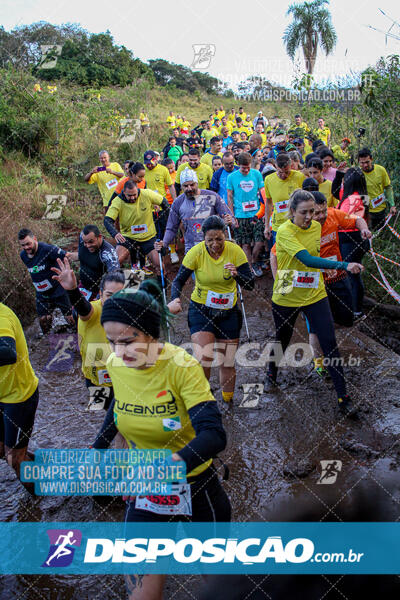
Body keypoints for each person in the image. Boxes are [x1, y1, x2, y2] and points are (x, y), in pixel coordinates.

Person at [92, 279, 231, 600]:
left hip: (197, 487)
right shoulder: (116, 363)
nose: (118, 351)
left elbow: (214, 434)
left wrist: (169, 466)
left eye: (128, 341)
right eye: (111, 341)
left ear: (151, 333)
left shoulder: (182, 366)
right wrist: (96, 451)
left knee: (221, 585)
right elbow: (118, 406)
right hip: (147, 491)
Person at [266, 189, 363, 416]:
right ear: (292, 212)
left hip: (313, 290)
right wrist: (344, 265)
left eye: (312, 211)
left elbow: (316, 258)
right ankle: (271, 371)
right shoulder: (284, 231)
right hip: (287, 288)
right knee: (283, 337)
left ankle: (343, 399)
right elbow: (307, 259)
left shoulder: (317, 227)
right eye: (304, 213)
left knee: (330, 342)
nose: (310, 217)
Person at [168, 216, 254, 403]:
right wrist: (175, 299)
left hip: (228, 312)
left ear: (225, 235)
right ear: (203, 239)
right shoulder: (196, 252)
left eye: (219, 239)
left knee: (227, 362)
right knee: (203, 359)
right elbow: (179, 280)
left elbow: (251, 284)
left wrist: (237, 275)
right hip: (201, 310)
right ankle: (204, 401)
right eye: (210, 240)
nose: (215, 244)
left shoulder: (235, 251)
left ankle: (228, 400)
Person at [309, 191, 371, 375]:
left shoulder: (334, 214)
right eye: (316, 213)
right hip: (315, 282)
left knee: (346, 318)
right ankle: (319, 361)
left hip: (337, 277)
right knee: (316, 325)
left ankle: (325, 330)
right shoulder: (301, 226)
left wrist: (364, 229)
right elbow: (275, 252)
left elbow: (356, 219)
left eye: (323, 212)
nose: (320, 216)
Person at [51, 261, 125, 412]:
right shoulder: (94, 311)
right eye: (109, 295)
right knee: (106, 414)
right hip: (95, 380)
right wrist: (72, 290)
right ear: (101, 293)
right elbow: (83, 308)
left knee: (124, 417)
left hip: (122, 377)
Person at [0, 302, 39, 491]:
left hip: (18, 397)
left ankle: (40, 503)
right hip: (2, 395)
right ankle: (40, 464)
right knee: (3, 450)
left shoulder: (2, 316)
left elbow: (7, 352)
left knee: (14, 460)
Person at [155, 169, 235, 255]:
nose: (189, 188)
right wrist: (164, 243)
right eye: (185, 186)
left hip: (214, 246)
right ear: (181, 186)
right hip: (192, 248)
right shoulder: (178, 202)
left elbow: (230, 218)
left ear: (197, 183)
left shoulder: (212, 196)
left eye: (192, 185)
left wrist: (229, 221)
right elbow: (171, 228)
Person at [104, 180, 169, 274]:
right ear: (124, 193)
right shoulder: (118, 201)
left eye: (135, 194)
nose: (133, 197)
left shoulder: (146, 194)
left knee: (160, 265)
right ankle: (114, 285)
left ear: (137, 190)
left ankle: (161, 287)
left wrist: (166, 224)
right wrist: (115, 233)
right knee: (115, 262)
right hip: (128, 237)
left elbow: (165, 203)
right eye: (129, 195)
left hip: (148, 237)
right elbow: (107, 220)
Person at [18, 228, 74, 334]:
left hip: (58, 289)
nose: (26, 247)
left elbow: (68, 255)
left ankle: (77, 337)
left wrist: (85, 256)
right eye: (23, 245)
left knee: (70, 318)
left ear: (35, 239)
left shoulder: (48, 250)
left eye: (28, 244)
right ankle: (47, 343)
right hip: (41, 292)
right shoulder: (23, 255)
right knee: (44, 321)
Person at [337, 168, 371, 318]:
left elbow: (342, 219)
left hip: (349, 239)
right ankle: (356, 308)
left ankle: (355, 309)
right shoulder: (364, 196)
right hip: (359, 239)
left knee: (352, 274)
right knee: (354, 273)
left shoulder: (351, 199)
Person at [227, 152, 266, 277]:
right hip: (240, 214)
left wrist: (265, 212)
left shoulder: (257, 174)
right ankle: (248, 268)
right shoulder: (232, 177)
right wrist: (232, 216)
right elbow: (229, 196)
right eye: (244, 168)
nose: (246, 170)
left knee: (259, 241)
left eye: (248, 167)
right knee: (245, 243)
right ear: (238, 165)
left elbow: (263, 193)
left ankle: (254, 261)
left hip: (256, 214)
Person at [256, 153, 305, 246]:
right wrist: (266, 226)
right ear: (276, 167)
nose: (284, 175)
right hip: (278, 225)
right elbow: (268, 203)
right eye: (280, 172)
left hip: (296, 224)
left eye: (287, 172)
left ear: (291, 166)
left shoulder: (299, 177)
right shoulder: (269, 180)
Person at [66, 225, 119, 299]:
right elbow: (83, 256)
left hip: (97, 292)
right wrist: (68, 255)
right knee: (75, 308)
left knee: (86, 310)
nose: (87, 245)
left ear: (99, 237)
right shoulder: (83, 237)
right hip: (82, 286)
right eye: (85, 242)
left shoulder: (108, 253)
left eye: (91, 242)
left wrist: (102, 294)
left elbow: (115, 275)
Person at [358, 147, 396, 229]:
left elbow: (388, 187)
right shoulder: (358, 174)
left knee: (380, 233)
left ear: (371, 159)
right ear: (358, 162)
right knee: (369, 236)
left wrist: (392, 205)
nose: (365, 165)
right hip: (367, 212)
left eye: (367, 162)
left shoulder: (380, 170)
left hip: (381, 210)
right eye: (362, 163)